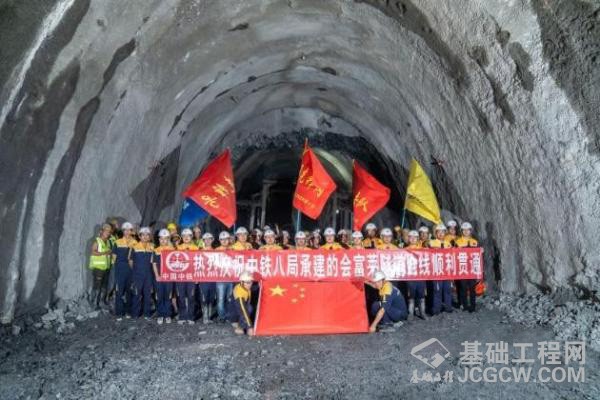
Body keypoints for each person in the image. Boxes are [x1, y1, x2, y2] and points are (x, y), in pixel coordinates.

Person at [112, 222, 137, 320]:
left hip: (131, 270)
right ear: (123, 231)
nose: (127, 232)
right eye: (125, 230)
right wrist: (116, 270)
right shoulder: (117, 242)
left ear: (131, 231)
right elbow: (114, 258)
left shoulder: (135, 242)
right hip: (120, 270)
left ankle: (128, 311)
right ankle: (119, 313)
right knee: (119, 291)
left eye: (129, 230)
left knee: (129, 291)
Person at [129, 227, 155, 319]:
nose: (145, 237)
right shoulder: (134, 247)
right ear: (139, 236)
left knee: (147, 294)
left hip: (148, 274)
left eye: (147, 235)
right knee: (137, 294)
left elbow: (154, 261)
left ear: (149, 236)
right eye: (143, 235)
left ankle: (146, 314)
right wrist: (136, 271)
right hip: (137, 275)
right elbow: (131, 261)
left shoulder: (152, 247)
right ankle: (135, 314)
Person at [428, 224, 454, 315]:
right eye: (439, 232)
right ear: (436, 233)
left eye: (443, 232)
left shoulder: (448, 244)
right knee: (437, 290)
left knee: (448, 289)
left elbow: (453, 255)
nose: (441, 234)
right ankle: (436, 309)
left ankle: (448, 307)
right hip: (437, 270)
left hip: (447, 270)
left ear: (445, 233)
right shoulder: (431, 243)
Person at [454, 222, 479, 312]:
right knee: (463, 287)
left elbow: (477, 256)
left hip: (471, 268)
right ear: (461, 231)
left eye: (467, 230)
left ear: (470, 231)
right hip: (462, 268)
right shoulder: (457, 242)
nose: (466, 232)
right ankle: (464, 305)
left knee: (472, 288)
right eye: (464, 230)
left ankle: (473, 306)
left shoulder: (474, 242)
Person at [176, 228, 199, 324]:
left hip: (191, 276)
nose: (186, 237)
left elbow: (198, 263)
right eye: (184, 236)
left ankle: (190, 317)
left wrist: (197, 276)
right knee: (181, 297)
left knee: (191, 297)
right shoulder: (178, 248)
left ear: (191, 237)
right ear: (182, 237)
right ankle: (182, 316)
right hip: (180, 276)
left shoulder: (196, 248)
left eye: (188, 236)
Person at [152, 229, 175, 324]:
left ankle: (168, 315)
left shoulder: (172, 250)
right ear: (159, 239)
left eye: (165, 239)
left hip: (169, 277)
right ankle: (160, 315)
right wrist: (157, 275)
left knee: (168, 295)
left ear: (168, 239)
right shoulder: (156, 250)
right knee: (159, 296)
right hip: (159, 277)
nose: (163, 241)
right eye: (161, 238)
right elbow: (154, 264)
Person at [88, 224, 113, 310]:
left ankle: (101, 302)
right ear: (102, 231)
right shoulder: (97, 241)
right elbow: (93, 252)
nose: (108, 232)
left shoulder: (108, 242)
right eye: (106, 230)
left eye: (109, 231)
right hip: (98, 268)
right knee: (97, 286)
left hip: (106, 268)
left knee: (104, 286)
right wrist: (104, 253)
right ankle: (94, 303)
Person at [405, 230, 427, 321]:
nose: (413, 239)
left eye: (415, 237)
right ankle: (411, 313)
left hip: (421, 276)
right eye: (411, 237)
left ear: (418, 238)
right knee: (411, 296)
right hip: (410, 276)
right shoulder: (405, 250)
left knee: (421, 296)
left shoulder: (423, 249)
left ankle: (422, 313)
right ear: (408, 238)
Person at [214, 231, 233, 322]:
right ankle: (221, 316)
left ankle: (228, 315)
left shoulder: (233, 249)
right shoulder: (216, 250)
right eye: (222, 239)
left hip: (231, 278)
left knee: (229, 298)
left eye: (226, 239)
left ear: (229, 240)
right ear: (219, 240)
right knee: (220, 299)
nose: (224, 241)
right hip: (220, 278)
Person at [230, 271, 255, 336]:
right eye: (248, 282)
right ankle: (239, 327)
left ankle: (244, 324)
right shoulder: (239, 293)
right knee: (249, 308)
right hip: (235, 315)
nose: (250, 284)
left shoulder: (245, 287)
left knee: (250, 307)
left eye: (251, 282)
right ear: (242, 282)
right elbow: (244, 311)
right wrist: (250, 327)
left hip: (241, 311)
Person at [199, 232, 216, 324]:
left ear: (212, 240)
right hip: (203, 278)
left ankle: (209, 316)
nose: (208, 241)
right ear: (203, 241)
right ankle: (205, 317)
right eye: (206, 239)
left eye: (210, 239)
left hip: (213, 278)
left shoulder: (216, 252)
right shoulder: (199, 251)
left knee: (211, 297)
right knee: (204, 297)